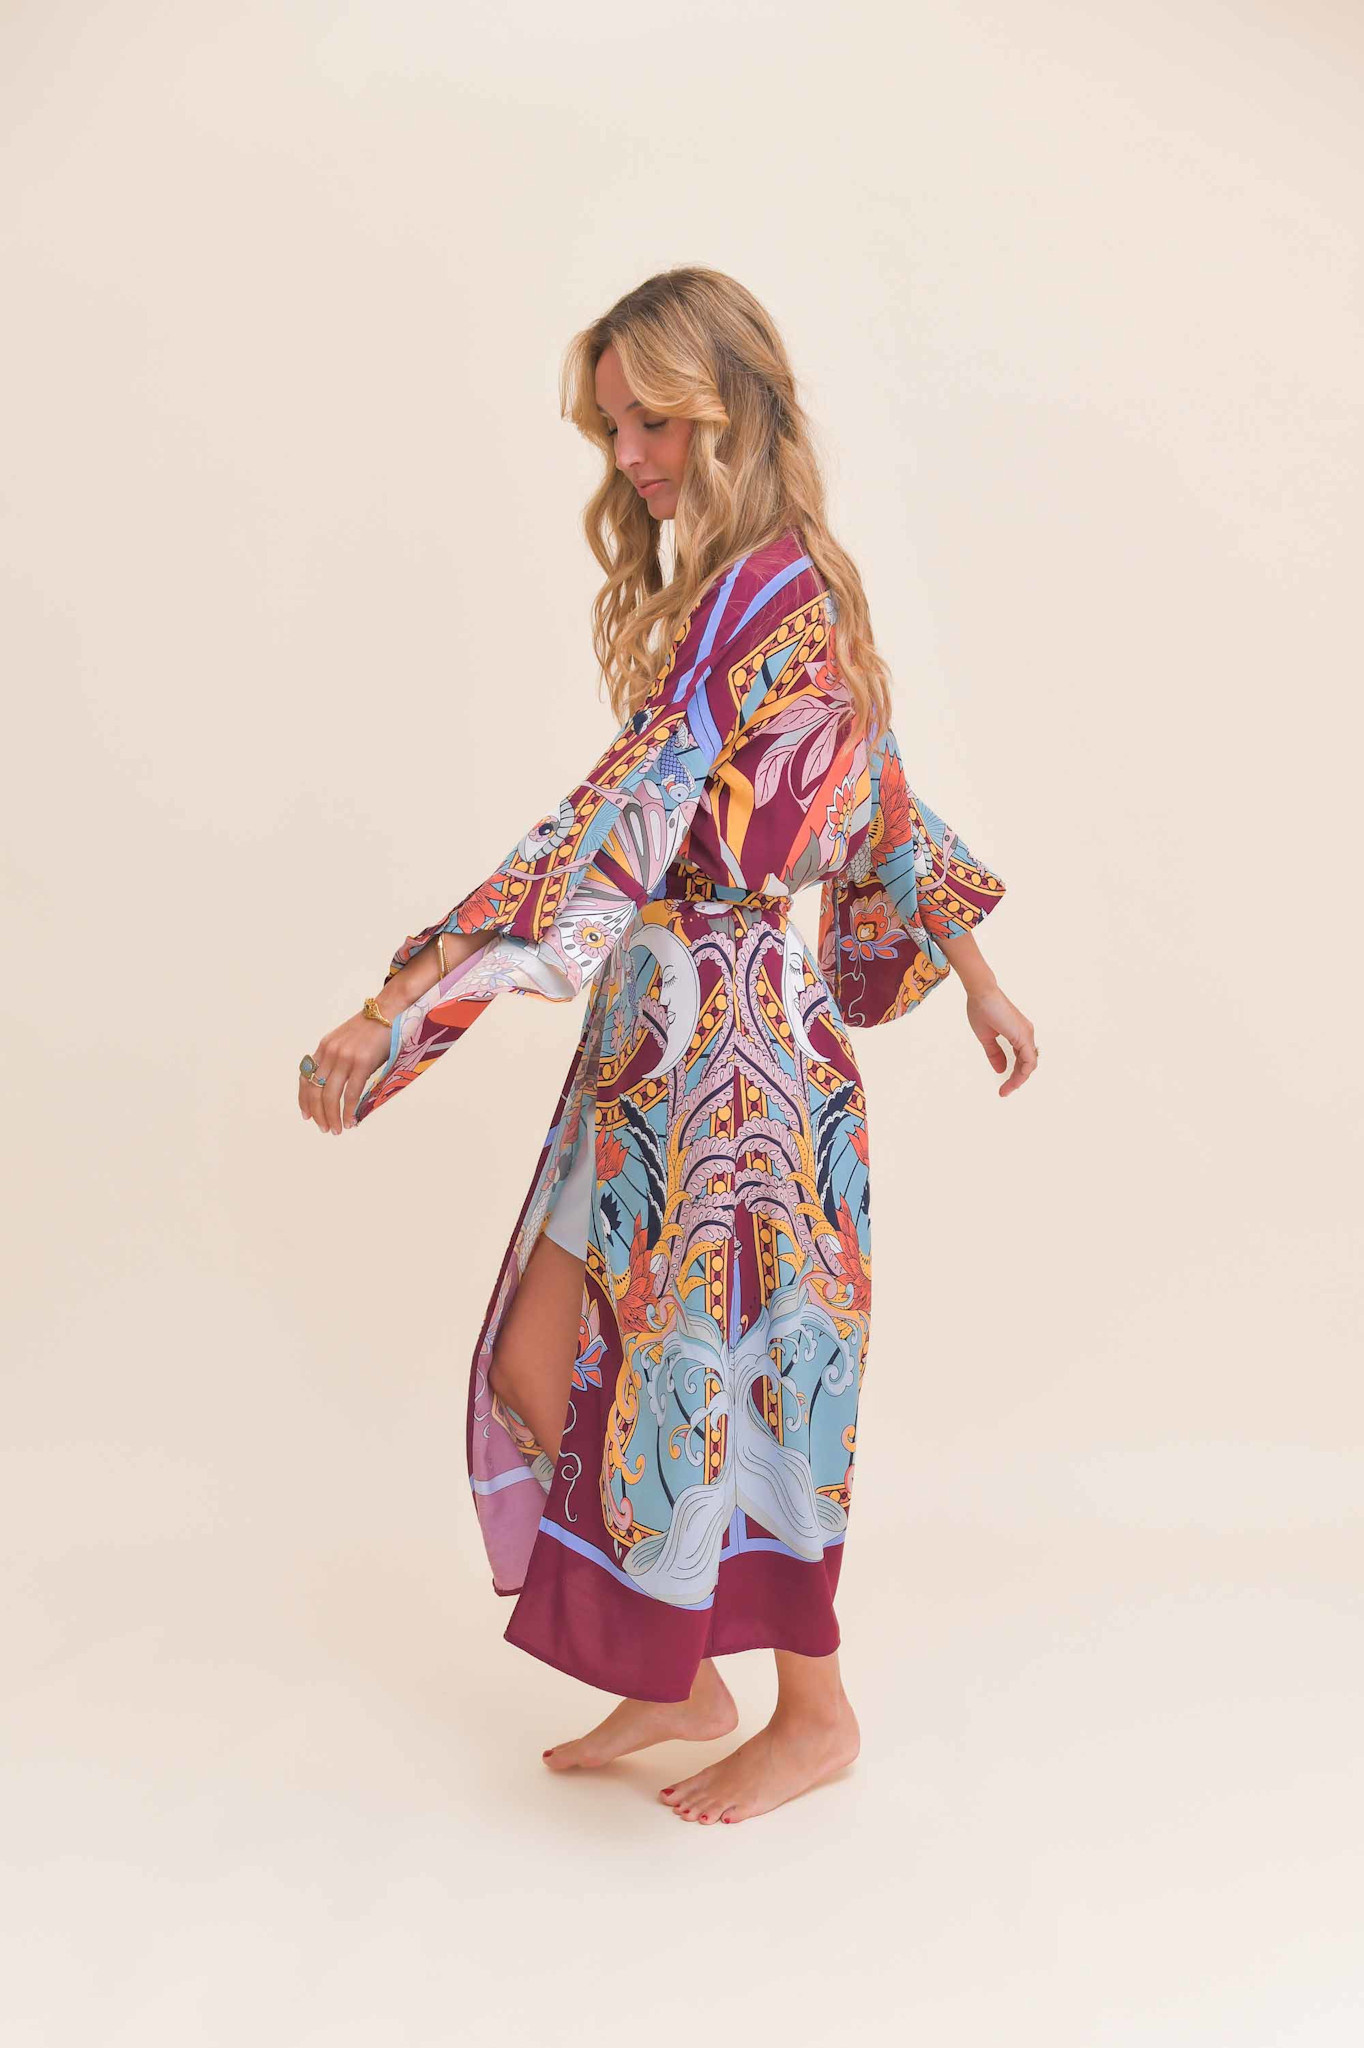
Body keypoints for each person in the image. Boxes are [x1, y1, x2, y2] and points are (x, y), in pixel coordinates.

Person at [297, 267, 1037, 1827]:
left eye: (651, 421)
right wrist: (976, 979)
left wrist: (404, 1000)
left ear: (729, 407)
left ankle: (815, 1716)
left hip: (737, 1055)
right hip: (650, 1046)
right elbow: (830, 802)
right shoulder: (724, 592)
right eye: (611, 429)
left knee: (751, 1379)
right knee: (552, 1357)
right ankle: (680, 1676)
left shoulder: (774, 592)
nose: (628, 456)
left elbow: (798, 808)